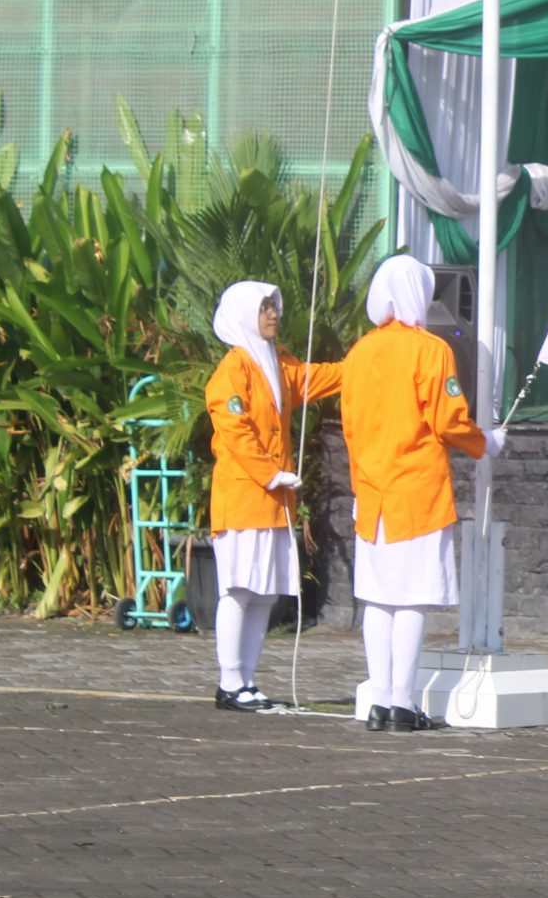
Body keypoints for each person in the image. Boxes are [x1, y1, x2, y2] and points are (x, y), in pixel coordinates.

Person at [340, 254, 494, 732]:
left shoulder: (359, 352)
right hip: (417, 493)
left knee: (377, 600)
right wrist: (485, 443)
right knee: (411, 601)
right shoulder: (431, 350)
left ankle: (380, 700)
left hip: (371, 492)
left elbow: (349, 427)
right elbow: (450, 420)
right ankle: (404, 703)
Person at [204, 281, 343, 710]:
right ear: (245, 313)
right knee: (238, 589)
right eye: (264, 307)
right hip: (245, 497)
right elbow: (235, 431)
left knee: (264, 593)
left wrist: (363, 363)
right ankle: (229, 682)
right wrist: (271, 475)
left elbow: (314, 377)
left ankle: (247, 680)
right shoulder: (233, 369)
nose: (273, 314)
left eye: (274, 306)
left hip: (275, 501)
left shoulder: (277, 362)